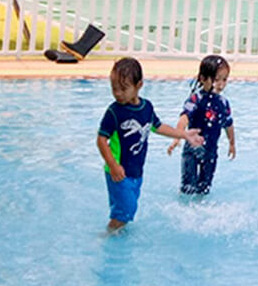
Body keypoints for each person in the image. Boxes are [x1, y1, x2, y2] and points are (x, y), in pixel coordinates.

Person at [97, 57, 203, 232]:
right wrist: (113, 165)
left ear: (139, 85)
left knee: (126, 212)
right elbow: (101, 140)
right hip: (118, 172)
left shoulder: (146, 108)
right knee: (124, 212)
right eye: (114, 88)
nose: (117, 93)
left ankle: (115, 234)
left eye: (123, 89)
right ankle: (107, 238)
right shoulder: (114, 112)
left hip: (136, 172)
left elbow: (159, 127)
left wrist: (183, 134)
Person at [167, 55, 235, 195]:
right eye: (216, 80)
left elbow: (228, 124)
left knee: (204, 189)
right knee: (188, 188)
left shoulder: (223, 103)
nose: (221, 84)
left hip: (211, 152)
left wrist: (232, 143)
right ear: (203, 79)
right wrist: (178, 137)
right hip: (191, 151)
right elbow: (184, 117)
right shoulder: (195, 99)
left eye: (224, 79)